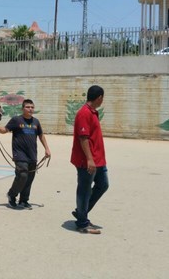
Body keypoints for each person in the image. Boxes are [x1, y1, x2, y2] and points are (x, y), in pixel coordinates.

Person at [0, 99, 51, 210]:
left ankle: (24, 200)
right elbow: (5, 130)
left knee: (29, 178)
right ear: (22, 108)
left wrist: (47, 149)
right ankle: (12, 195)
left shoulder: (36, 122)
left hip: (32, 154)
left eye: (32, 107)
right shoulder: (16, 120)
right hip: (19, 154)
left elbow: (41, 135)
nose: (30, 109)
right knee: (23, 175)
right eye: (28, 107)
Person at [70, 85, 108, 234]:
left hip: (98, 159)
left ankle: (81, 212)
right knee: (84, 190)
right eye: (102, 98)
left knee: (103, 184)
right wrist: (90, 160)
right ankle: (82, 223)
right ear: (99, 98)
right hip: (87, 160)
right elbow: (83, 138)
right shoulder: (84, 113)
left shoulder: (93, 112)